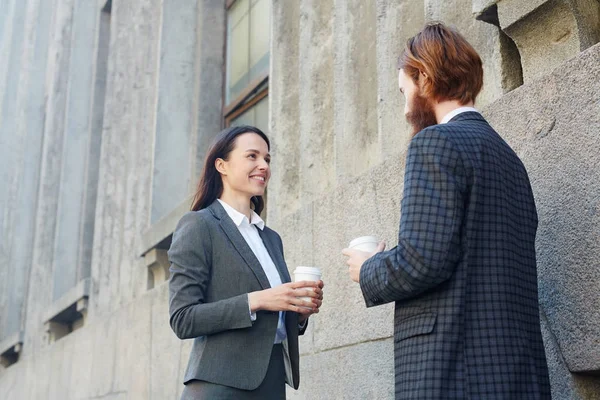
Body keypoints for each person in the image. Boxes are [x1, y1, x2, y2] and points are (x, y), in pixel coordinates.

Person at [342, 22, 551, 399]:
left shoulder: (434, 143)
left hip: (456, 371)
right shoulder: (509, 158)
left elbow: (423, 259)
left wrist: (369, 267)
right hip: (514, 372)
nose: (405, 107)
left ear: (424, 77)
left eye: (404, 90)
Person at [169, 125, 324, 399]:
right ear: (222, 165)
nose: (263, 165)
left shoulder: (271, 238)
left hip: (272, 383)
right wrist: (258, 300)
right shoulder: (198, 225)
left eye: (267, 159)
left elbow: (273, 318)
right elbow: (183, 318)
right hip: (220, 386)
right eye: (252, 156)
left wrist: (297, 312)